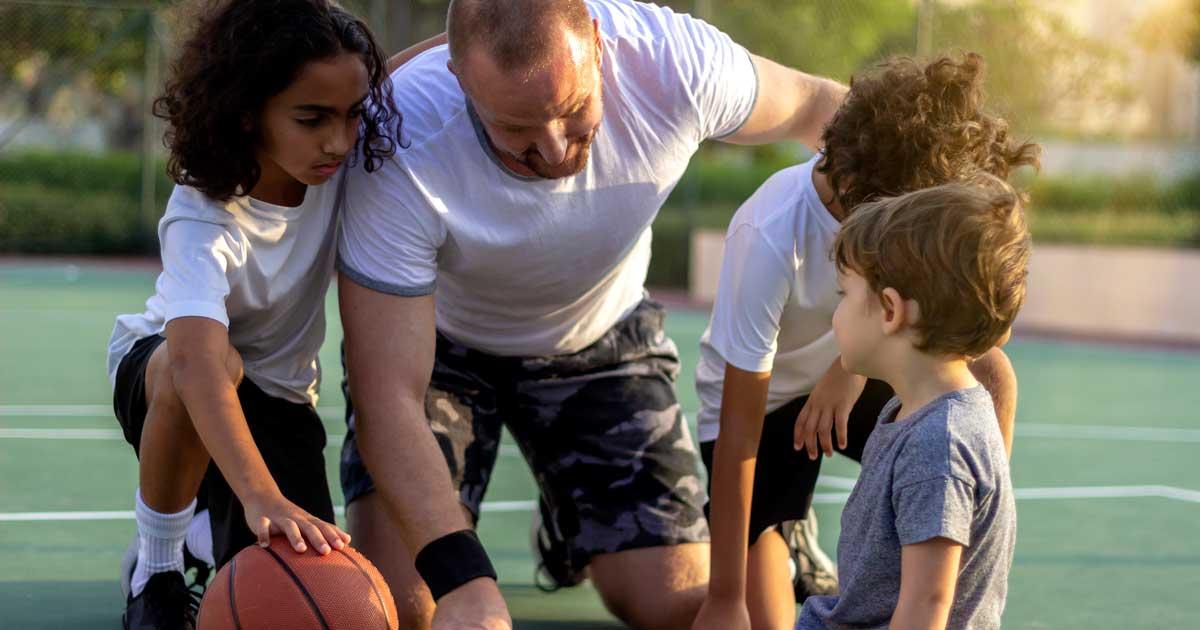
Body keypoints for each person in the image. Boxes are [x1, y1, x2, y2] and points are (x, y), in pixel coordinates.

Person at [334, 0, 846, 627]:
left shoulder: (671, 62)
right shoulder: (399, 137)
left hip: (601, 338)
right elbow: (387, 395)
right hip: (443, 351)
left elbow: (829, 111)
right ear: (458, 77)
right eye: (518, 127)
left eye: (574, 111)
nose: (552, 151)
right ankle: (567, 508)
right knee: (396, 610)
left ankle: (581, 512)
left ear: (599, 47)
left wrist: (910, 263)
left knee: (678, 607)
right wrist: (465, 582)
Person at [691, 54, 1040, 629]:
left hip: (858, 361)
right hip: (765, 407)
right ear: (867, 195)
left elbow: (931, 318)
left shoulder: (898, 220)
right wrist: (724, 597)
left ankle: (954, 577)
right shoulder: (772, 231)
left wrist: (846, 374)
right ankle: (785, 527)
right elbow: (739, 429)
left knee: (988, 374)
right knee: (766, 619)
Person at [106, 1, 398, 627]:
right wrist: (259, 494)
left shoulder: (337, 160)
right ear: (246, 114)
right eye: (313, 118)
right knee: (210, 368)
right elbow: (196, 363)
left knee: (312, 589)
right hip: (165, 371)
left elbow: (425, 64)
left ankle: (203, 529)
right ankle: (156, 573)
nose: (339, 140)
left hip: (282, 398)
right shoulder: (205, 213)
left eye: (352, 115)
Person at [798, 177, 1026, 628]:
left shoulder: (938, 444)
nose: (835, 313)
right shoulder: (910, 412)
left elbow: (926, 607)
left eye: (845, 295)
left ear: (889, 310)